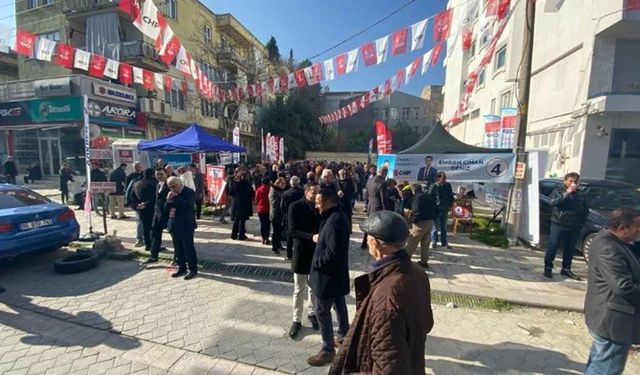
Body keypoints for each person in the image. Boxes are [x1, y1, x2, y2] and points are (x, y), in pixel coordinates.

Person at [330, 210, 434, 374]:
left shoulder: (387, 295)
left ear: (374, 242)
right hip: (413, 362)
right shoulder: (417, 272)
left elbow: (388, 368)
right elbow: (427, 323)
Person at [584, 208, 640, 375]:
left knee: (600, 363)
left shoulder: (613, 240)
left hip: (607, 318)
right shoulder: (608, 247)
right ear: (622, 228)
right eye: (638, 228)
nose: (639, 232)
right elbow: (623, 287)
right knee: (605, 369)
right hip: (613, 322)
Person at [307, 188, 350, 367]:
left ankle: (327, 349)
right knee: (339, 304)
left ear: (328, 201)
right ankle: (345, 337)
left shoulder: (334, 221)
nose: (316, 206)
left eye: (319, 203)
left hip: (327, 278)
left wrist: (317, 263)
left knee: (322, 312)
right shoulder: (335, 216)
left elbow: (332, 253)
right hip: (335, 277)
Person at [288, 183, 321, 339]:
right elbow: (292, 230)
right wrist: (311, 237)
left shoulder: (319, 207)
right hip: (301, 252)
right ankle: (296, 320)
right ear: (306, 192)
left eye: (318, 192)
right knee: (299, 289)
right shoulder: (295, 207)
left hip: (316, 253)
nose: (316, 195)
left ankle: (312, 313)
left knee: (313, 287)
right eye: (314, 192)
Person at [544, 172, 588, 279]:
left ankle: (566, 268)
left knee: (570, 248)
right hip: (559, 222)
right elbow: (553, 202)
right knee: (553, 245)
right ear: (565, 181)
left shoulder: (581, 194)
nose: (573, 183)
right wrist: (566, 193)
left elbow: (585, 208)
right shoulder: (558, 191)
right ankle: (548, 267)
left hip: (575, 224)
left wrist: (582, 220)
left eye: (575, 182)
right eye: (570, 181)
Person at [165, 176, 198, 280]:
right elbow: (166, 208)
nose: (173, 189)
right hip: (174, 224)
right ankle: (181, 267)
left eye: (174, 186)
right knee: (178, 248)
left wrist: (176, 197)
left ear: (179, 183)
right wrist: (168, 200)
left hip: (186, 224)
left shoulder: (189, 192)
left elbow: (186, 207)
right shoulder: (171, 193)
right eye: (170, 187)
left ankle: (192, 269)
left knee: (188, 247)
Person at [407, 184, 439, 267]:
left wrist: (412, 220)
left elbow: (416, 210)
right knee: (425, 243)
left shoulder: (417, 198)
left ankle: (405, 260)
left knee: (412, 242)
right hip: (430, 222)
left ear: (414, 190)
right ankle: (424, 262)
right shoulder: (428, 196)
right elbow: (436, 208)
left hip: (420, 223)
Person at [361, 167, 390, 249]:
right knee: (378, 226)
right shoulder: (382, 183)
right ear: (385, 173)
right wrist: (386, 211)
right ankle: (376, 244)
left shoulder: (370, 180)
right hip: (378, 207)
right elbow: (383, 198)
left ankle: (364, 242)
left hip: (370, 205)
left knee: (369, 224)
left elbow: (366, 194)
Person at [145, 167, 170, 263]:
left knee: (175, 237)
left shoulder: (170, 185)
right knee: (155, 234)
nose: (159, 176)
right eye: (157, 174)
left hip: (167, 214)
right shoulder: (157, 185)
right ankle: (153, 256)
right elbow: (156, 199)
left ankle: (178, 258)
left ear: (166, 174)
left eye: (161, 174)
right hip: (157, 214)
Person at [132, 168, 157, 251]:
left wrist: (137, 205)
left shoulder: (136, 183)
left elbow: (132, 197)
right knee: (154, 228)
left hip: (141, 208)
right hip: (152, 208)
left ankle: (147, 245)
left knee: (145, 227)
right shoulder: (154, 183)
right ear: (153, 174)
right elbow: (155, 197)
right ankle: (154, 245)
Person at [430, 172, 454, 249]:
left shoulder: (448, 185)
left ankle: (444, 242)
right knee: (435, 227)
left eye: (445, 178)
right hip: (436, 209)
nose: (444, 180)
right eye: (442, 178)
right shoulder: (434, 186)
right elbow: (430, 197)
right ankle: (434, 241)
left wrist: (451, 205)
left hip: (445, 208)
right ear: (438, 178)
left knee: (444, 227)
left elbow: (451, 196)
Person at [282, 176, 304, 260]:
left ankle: (289, 254)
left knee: (289, 237)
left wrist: (286, 214)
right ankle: (300, 254)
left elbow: (282, 206)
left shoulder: (285, 193)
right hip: (301, 216)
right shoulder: (302, 192)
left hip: (289, 216)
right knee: (300, 236)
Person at [229, 169, 254, 240]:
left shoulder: (235, 183)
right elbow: (252, 193)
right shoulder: (247, 184)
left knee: (236, 219)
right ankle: (241, 235)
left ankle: (233, 235)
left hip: (237, 203)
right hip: (245, 203)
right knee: (242, 220)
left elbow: (231, 192)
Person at [126, 162, 145, 247]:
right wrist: (131, 203)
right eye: (138, 167)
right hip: (137, 203)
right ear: (134, 167)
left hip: (146, 203)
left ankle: (146, 238)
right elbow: (128, 190)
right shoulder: (131, 177)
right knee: (139, 221)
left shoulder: (145, 176)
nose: (140, 168)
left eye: (140, 166)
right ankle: (139, 239)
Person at [269, 177, 287, 254]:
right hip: (276, 214)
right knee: (276, 231)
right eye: (282, 183)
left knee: (279, 231)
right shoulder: (273, 191)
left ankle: (279, 245)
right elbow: (274, 203)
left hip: (281, 214)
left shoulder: (281, 191)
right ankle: (274, 247)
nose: (284, 185)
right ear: (278, 183)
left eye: (284, 183)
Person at [255, 177, 271, 245]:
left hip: (261, 208)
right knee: (268, 224)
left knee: (262, 224)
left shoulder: (259, 189)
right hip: (268, 209)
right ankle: (267, 238)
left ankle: (263, 238)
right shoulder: (270, 189)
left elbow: (256, 199)